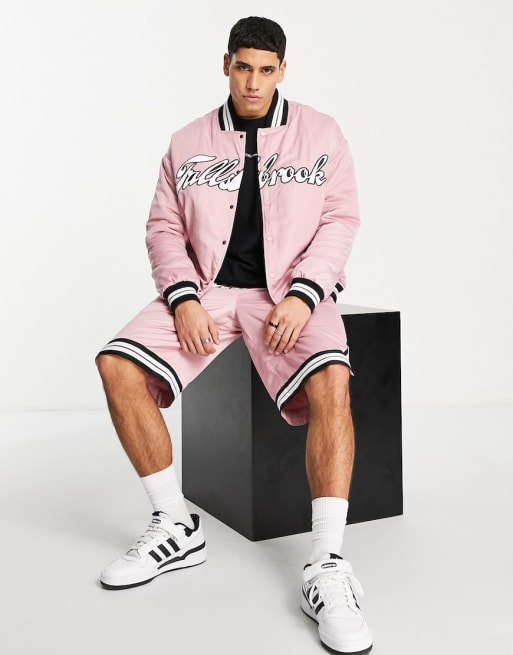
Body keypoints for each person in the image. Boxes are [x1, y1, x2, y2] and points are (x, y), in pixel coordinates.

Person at [96, 15, 372, 655]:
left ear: (283, 71)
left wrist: (306, 292)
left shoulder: (322, 133)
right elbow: (164, 228)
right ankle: (174, 524)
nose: (253, 82)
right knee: (116, 364)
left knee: (333, 380)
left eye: (266, 70)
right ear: (226, 64)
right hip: (209, 292)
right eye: (243, 67)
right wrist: (183, 296)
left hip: (291, 294)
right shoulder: (187, 141)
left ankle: (327, 564)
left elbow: (340, 219)